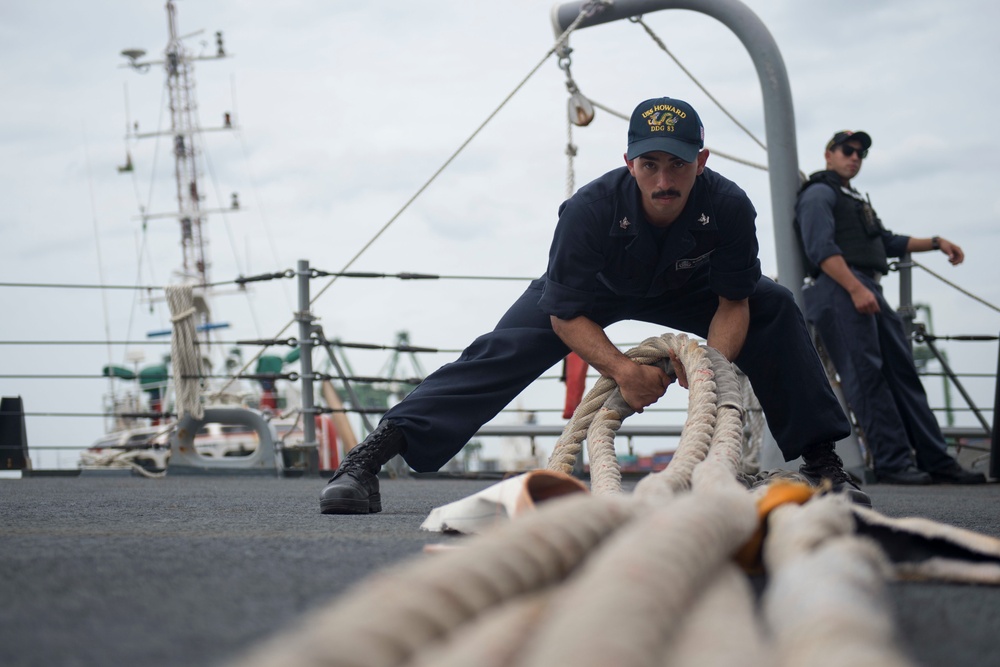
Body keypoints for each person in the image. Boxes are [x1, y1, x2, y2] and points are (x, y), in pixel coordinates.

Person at [321, 96, 871, 515]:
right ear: (628, 161)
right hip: (594, 292)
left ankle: (823, 464)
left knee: (772, 304)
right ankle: (365, 461)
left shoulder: (728, 206)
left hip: (690, 284)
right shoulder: (587, 209)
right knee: (502, 349)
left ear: (700, 160)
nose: (663, 180)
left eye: (677, 165)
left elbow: (734, 302)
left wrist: (706, 369)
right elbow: (563, 313)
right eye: (649, 164)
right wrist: (624, 370)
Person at [796, 130, 986, 485]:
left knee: (903, 373)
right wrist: (853, 288)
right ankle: (892, 462)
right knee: (868, 377)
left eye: (861, 154)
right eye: (847, 150)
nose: (855, 157)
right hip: (841, 288)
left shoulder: (851, 198)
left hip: (865, 286)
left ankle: (935, 459)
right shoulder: (818, 194)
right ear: (828, 154)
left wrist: (936, 242)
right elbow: (820, 249)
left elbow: (885, 241)